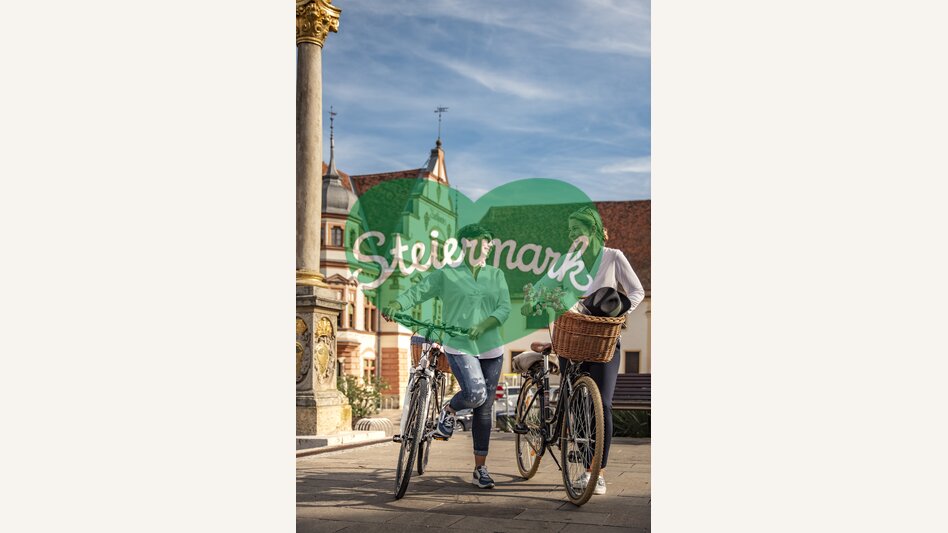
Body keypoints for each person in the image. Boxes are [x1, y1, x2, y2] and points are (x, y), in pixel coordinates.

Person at [521, 206, 644, 495]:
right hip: (572, 339)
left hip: (604, 340)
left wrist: (621, 313)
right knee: (577, 405)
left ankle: (596, 473)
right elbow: (541, 288)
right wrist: (532, 302)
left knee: (601, 406)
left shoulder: (614, 257)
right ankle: (574, 445)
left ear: (593, 231)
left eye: (577, 230)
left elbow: (637, 291)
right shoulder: (566, 261)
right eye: (570, 231)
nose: (572, 235)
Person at [384, 224, 511, 489]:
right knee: (475, 394)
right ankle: (449, 410)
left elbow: (504, 307)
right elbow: (419, 291)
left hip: (492, 347)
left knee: (485, 408)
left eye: (488, 243)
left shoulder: (496, 274)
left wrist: (484, 324)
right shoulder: (448, 274)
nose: (487, 247)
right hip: (459, 344)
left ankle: (480, 469)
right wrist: (398, 304)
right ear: (467, 244)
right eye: (483, 242)